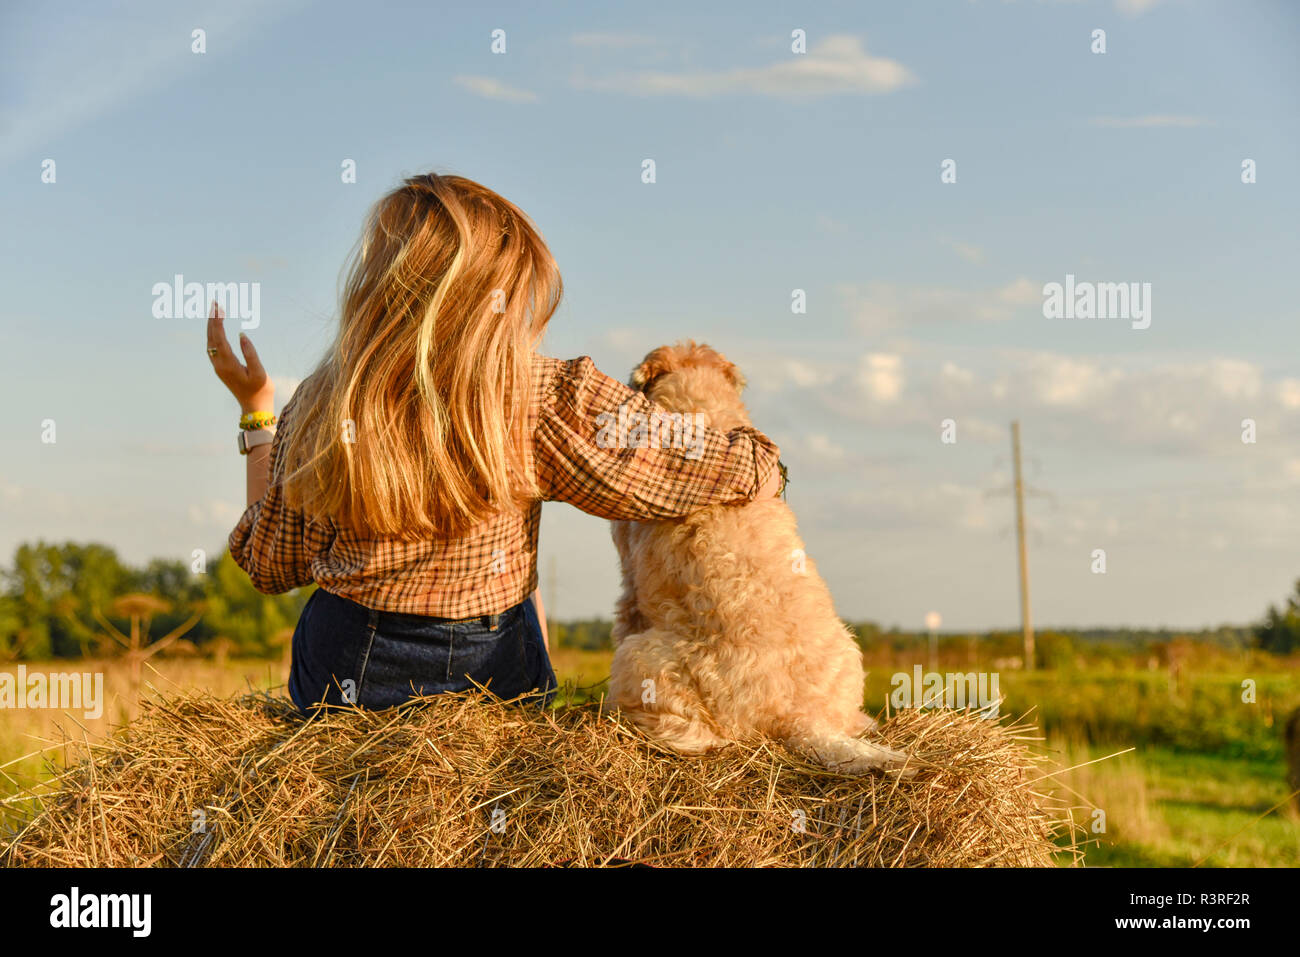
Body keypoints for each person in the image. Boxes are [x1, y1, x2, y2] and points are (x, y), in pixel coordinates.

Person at [206, 173, 782, 714]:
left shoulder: (322, 401)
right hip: (493, 670)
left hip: (347, 674)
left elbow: (267, 563)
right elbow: (732, 468)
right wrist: (752, 448)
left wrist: (257, 412)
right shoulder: (545, 394)